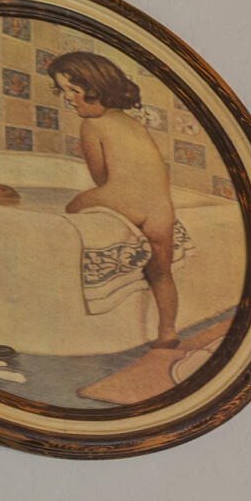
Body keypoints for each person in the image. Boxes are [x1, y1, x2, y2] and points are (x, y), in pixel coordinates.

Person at [51, 49, 190, 401]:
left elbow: (101, 177)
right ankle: (167, 333)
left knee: (69, 211)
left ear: (94, 87)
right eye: (63, 91)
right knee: (160, 271)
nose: (68, 99)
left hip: (121, 198)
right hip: (160, 207)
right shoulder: (132, 122)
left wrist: (93, 203)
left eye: (72, 90)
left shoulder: (92, 124)